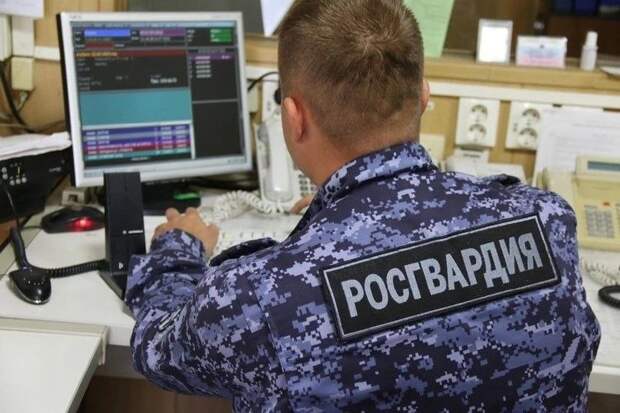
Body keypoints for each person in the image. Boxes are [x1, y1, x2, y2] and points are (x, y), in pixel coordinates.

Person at [125, 0, 601, 411]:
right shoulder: (546, 223)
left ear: (293, 117)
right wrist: (335, 218)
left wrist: (177, 250)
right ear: (423, 96)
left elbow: (156, 348)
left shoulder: (257, 296)